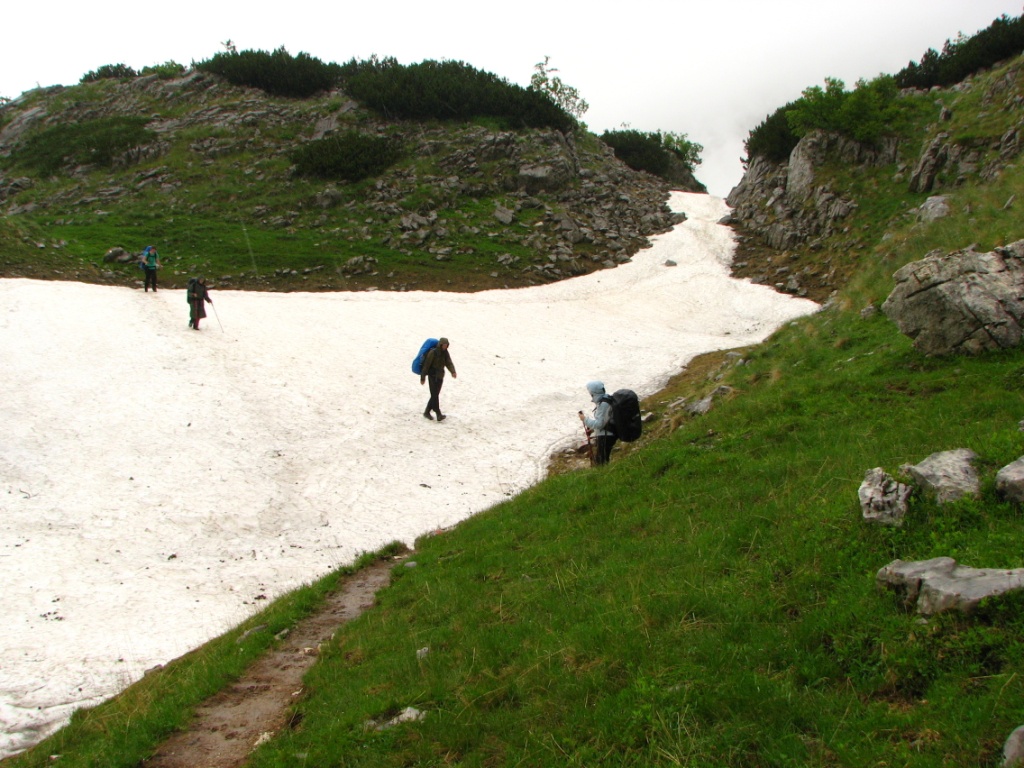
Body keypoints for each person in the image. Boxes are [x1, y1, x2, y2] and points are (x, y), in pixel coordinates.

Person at [579, 380, 617, 465]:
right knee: (602, 459)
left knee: (601, 462)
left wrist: (584, 419)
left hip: (606, 436)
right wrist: (592, 430)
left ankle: (604, 473)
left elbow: (599, 424)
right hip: (608, 434)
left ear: (593, 393)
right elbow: (605, 420)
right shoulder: (606, 400)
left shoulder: (603, 404)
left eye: (590, 393)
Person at [420, 337, 457, 421]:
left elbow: (449, 362)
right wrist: (423, 377)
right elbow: (426, 365)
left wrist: (453, 371)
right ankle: (438, 413)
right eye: (444, 345)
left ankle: (427, 412)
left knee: (435, 394)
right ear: (440, 345)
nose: (445, 347)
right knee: (434, 395)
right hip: (432, 376)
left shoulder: (445, 353)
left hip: (440, 376)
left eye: (446, 345)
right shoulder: (433, 353)